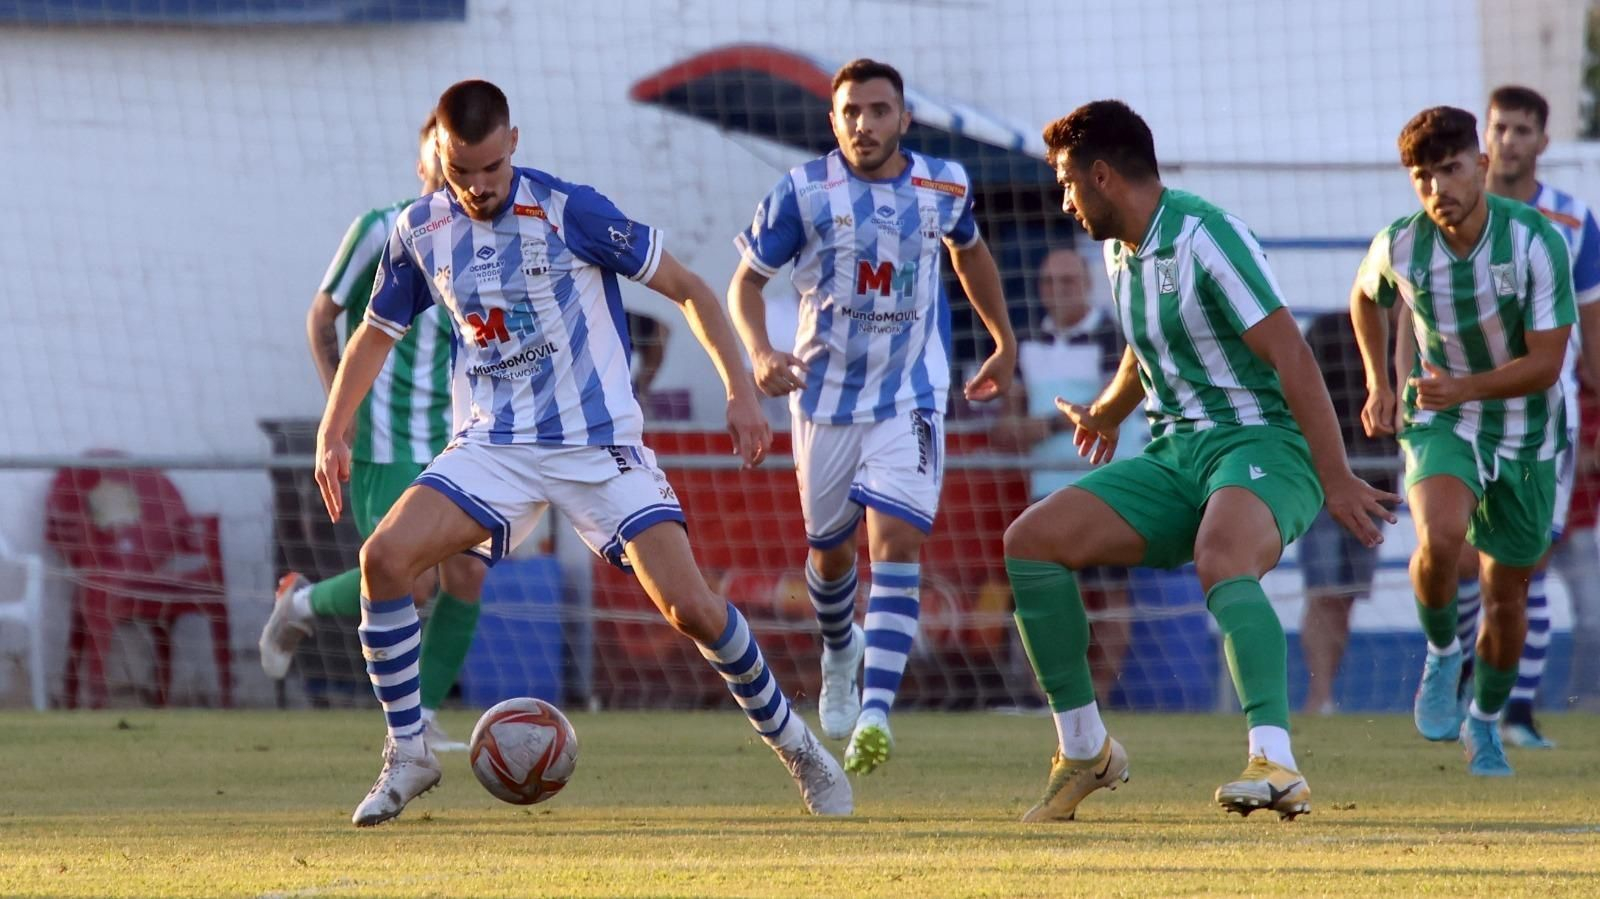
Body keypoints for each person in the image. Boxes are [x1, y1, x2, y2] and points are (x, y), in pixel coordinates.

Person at [317, 80, 851, 826]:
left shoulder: (571, 212)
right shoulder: (418, 228)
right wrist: (334, 427)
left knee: (692, 607)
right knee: (384, 559)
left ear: (514, 144)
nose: (474, 188)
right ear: (440, 152)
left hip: (599, 448)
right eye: (460, 171)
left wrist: (740, 389)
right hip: (493, 447)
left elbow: (690, 289)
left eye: (490, 172)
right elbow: (375, 331)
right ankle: (408, 749)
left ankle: (798, 746)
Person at [1004, 100, 1396, 823]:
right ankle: (1085, 749)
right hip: (1176, 454)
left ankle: (1276, 761)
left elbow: (1292, 354)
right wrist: (1108, 412)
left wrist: (1336, 474)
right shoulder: (1119, 248)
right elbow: (1144, 346)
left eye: (1066, 182)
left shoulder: (1207, 236)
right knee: (1031, 541)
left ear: (1101, 175)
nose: (1064, 200)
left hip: (1264, 446)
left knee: (1222, 557)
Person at [727, 58, 1017, 775]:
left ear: (904, 119)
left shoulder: (943, 185)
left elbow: (970, 254)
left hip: (910, 394)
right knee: (830, 557)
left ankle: (878, 715)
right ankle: (838, 650)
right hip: (822, 402)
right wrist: (760, 353)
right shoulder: (803, 192)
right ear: (834, 120)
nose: (865, 123)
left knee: (896, 543)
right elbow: (744, 285)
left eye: (879, 110)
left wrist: (1004, 340)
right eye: (851, 111)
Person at [1352, 105, 1574, 777]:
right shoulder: (1401, 242)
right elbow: (1367, 298)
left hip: (1527, 432)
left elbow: (1547, 362)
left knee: (1507, 596)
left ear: (1480, 166)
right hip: (1443, 418)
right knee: (1439, 538)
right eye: (1422, 177)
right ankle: (1443, 651)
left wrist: (1467, 385)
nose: (1436, 189)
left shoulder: (1536, 240)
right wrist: (1379, 384)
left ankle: (1483, 723)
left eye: (1449, 170)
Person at [259, 115, 486, 751]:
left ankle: (423, 721)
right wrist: (342, 402)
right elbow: (321, 316)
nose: (450, 173)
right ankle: (299, 604)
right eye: (439, 162)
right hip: (386, 442)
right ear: (423, 168)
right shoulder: (381, 229)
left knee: (466, 577)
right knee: (410, 581)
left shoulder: (492, 240)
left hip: (463, 442)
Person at [1443, 85, 1600, 748]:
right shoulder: (1449, 209)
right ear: (1485, 137)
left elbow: (1591, 333)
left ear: (1543, 140)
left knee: (1523, 560)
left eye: (1522, 130)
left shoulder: (1572, 221)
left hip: (1541, 418)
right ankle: (1460, 680)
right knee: (1451, 552)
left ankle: (1511, 710)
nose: (1508, 141)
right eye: (1498, 128)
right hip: (1459, 412)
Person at [988, 246, 1134, 704]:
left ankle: (1102, 695)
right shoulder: (1023, 340)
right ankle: (1049, 698)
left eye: (1067, 282)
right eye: (1049, 283)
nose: (1057, 293)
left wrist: (1048, 425)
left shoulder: (1115, 338)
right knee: (1049, 594)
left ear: (1088, 285)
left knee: (1111, 597)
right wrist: (1017, 429)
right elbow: (1005, 422)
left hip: (1105, 483)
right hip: (1046, 488)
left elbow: (1111, 404)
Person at [1296, 311, 1399, 714]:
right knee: (1324, 592)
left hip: (1376, 487)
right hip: (1323, 485)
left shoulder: (1413, 338)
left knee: (1345, 598)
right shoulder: (1329, 330)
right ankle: (1319, 698)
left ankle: (1325, 696)